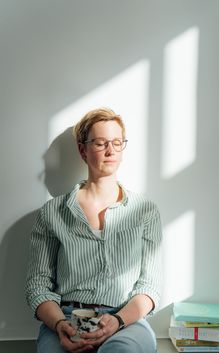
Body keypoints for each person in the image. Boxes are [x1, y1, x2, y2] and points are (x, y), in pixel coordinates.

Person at [25, 107, 162, 353]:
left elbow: (150, 287)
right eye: (100, 143)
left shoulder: (145, 211)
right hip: (66, 317)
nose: (110, 151)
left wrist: (118, 320)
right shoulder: (52, 212)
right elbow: (37, 284)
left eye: (117, 143)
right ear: (82, 150)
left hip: (126, 320)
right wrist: (59, 324)